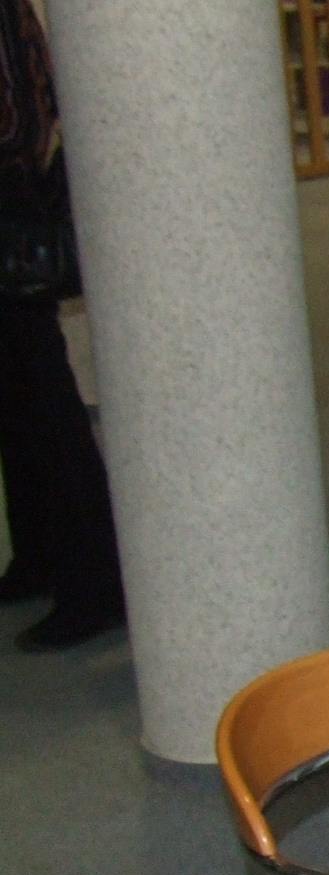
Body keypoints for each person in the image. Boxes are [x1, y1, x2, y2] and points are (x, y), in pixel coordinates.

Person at [0, 0, 126, 650]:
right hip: (12, 191)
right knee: (16, 401)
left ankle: (96, 581)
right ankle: (42, 556)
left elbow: (19, 118)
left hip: (7, 201)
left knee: (41, 398)